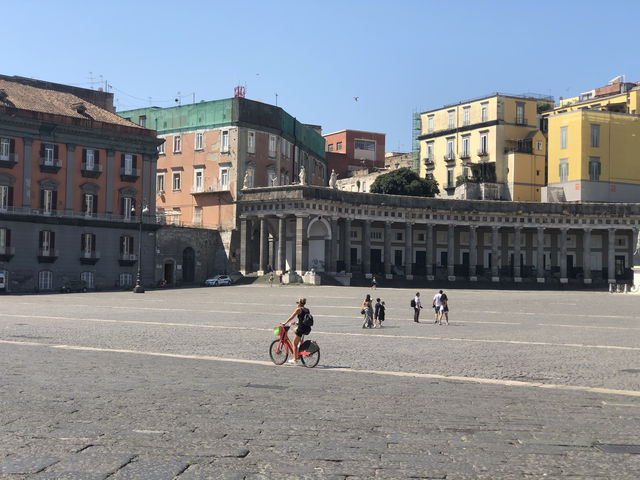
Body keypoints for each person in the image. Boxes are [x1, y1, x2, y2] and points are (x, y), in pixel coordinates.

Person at [284, 297, 311, 365]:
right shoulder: (307, 310)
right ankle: (300, 344)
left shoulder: (298, 309)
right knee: (294, 329)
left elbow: (291, 317)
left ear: (299, 303)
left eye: (297, 303)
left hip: (301, 329)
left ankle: (295, 360)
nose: (297, 304)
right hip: (307, 328)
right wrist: (297, 323)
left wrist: (285, 322)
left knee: (294, 344)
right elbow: (304, 319)